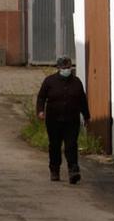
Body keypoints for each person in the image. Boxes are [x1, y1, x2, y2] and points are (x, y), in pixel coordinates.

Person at [36, 56, 90, 184]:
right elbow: (41, 97)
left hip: (71, 120)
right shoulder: (49, 81)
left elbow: (82, 100)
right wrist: (40, 111)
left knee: (71, 145)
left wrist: (86, 115)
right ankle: (54, 170)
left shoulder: (76, 82)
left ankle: (73, 170)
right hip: (54, 120)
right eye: (64, 68)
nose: (67, 70)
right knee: (54, 145)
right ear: (59, 68)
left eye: (68, 67)